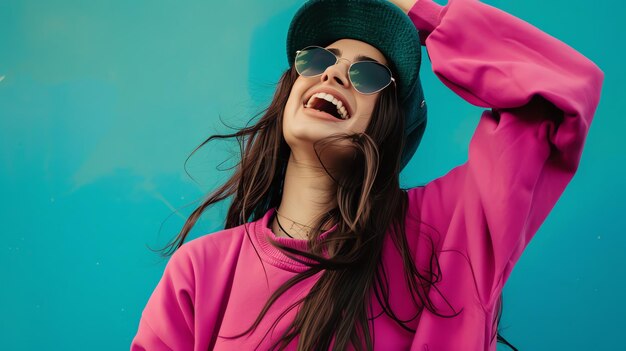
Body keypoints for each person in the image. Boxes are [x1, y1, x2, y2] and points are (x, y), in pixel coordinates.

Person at [130, 0, 604, 350]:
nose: (333, 74)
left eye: (368, 75)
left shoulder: (444, 232)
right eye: (317, 59)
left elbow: (560, 91)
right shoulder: (201, 271)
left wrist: (424, 15)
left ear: (387, 124)